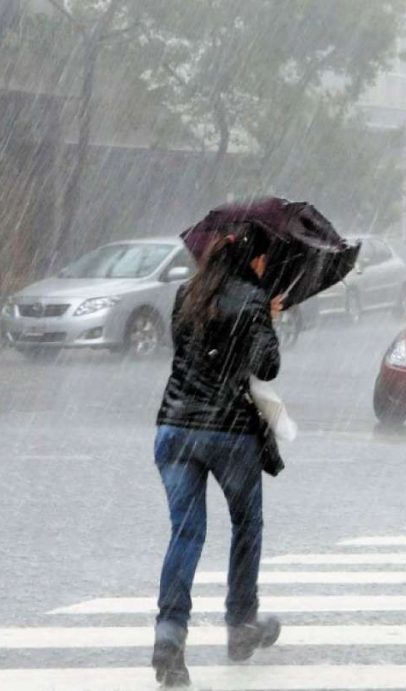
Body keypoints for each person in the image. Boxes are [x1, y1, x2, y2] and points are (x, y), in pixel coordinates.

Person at [152, 221, 282, 687]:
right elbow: (266, 365)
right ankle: (241, 624)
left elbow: (188, 352)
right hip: (228, 433)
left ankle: (169, 636)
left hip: (174, 427)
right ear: (252, 258)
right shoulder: (252, 298)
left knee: (185, 535)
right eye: (265, 258)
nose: (267, 265)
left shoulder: (186, 293)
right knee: (246, 524)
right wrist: (267, 315)